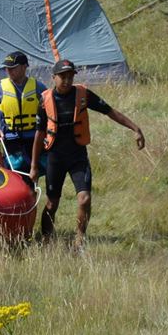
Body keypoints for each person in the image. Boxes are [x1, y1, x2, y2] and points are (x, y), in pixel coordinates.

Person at [29, 59, 145, 248]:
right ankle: (47, 240)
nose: (66, 80)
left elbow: (109, 111)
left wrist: (135, 128)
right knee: (52, 203)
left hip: (77, 157)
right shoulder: (44, 101)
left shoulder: (83, 95)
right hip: (55, 158)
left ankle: (79, 239)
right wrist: (34, 166)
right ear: (53, 77)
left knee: (85, 199)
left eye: (70, 76)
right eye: (62, 77)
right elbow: (39, 134)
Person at [0, 51, 46, 174]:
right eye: (7, 68)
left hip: (34, 138)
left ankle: (32, 192)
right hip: (10, 139)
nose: (9, 71)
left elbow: (51, 109)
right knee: (16, 172)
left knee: (36, 171)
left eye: (13, 68)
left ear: (24, 67)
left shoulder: (38, 87)